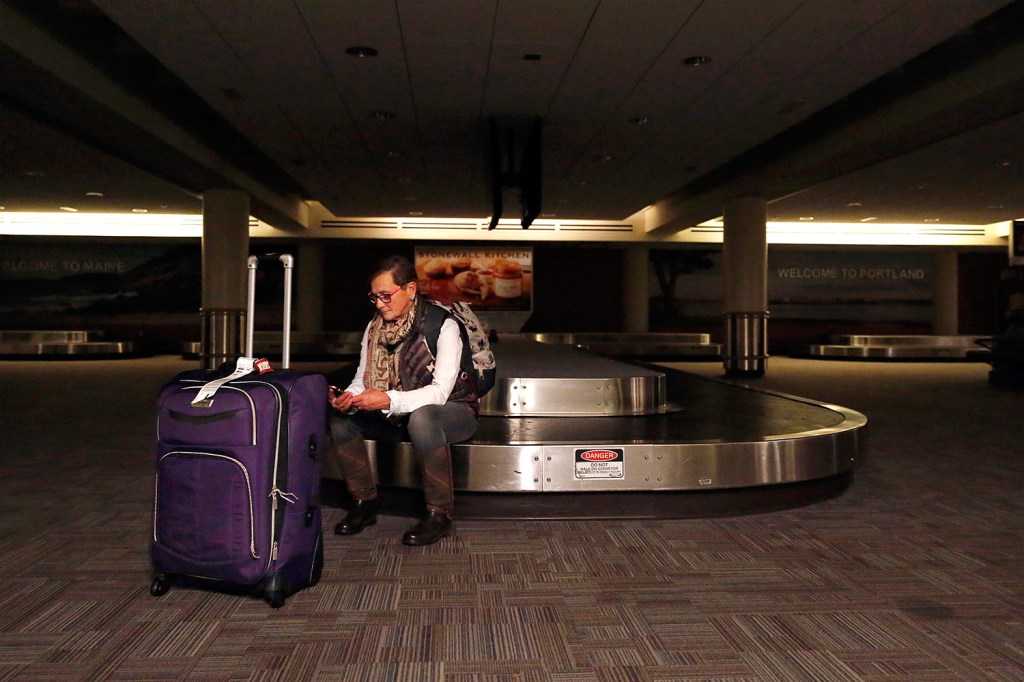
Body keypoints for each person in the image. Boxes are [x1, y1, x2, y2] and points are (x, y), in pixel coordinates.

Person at [327, 255, 479, 546]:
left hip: (453, 412)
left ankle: (439, 513)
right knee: (341, 417)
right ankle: (365, 502)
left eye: (386, 295)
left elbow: (439, 393)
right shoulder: (374, 328)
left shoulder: (442, 325)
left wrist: (387, 399)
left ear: (410, 289)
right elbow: (363, 376)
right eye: (375, 297)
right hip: (396, 411)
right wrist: (351, 396)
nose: (380, 303)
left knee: (424, 417)